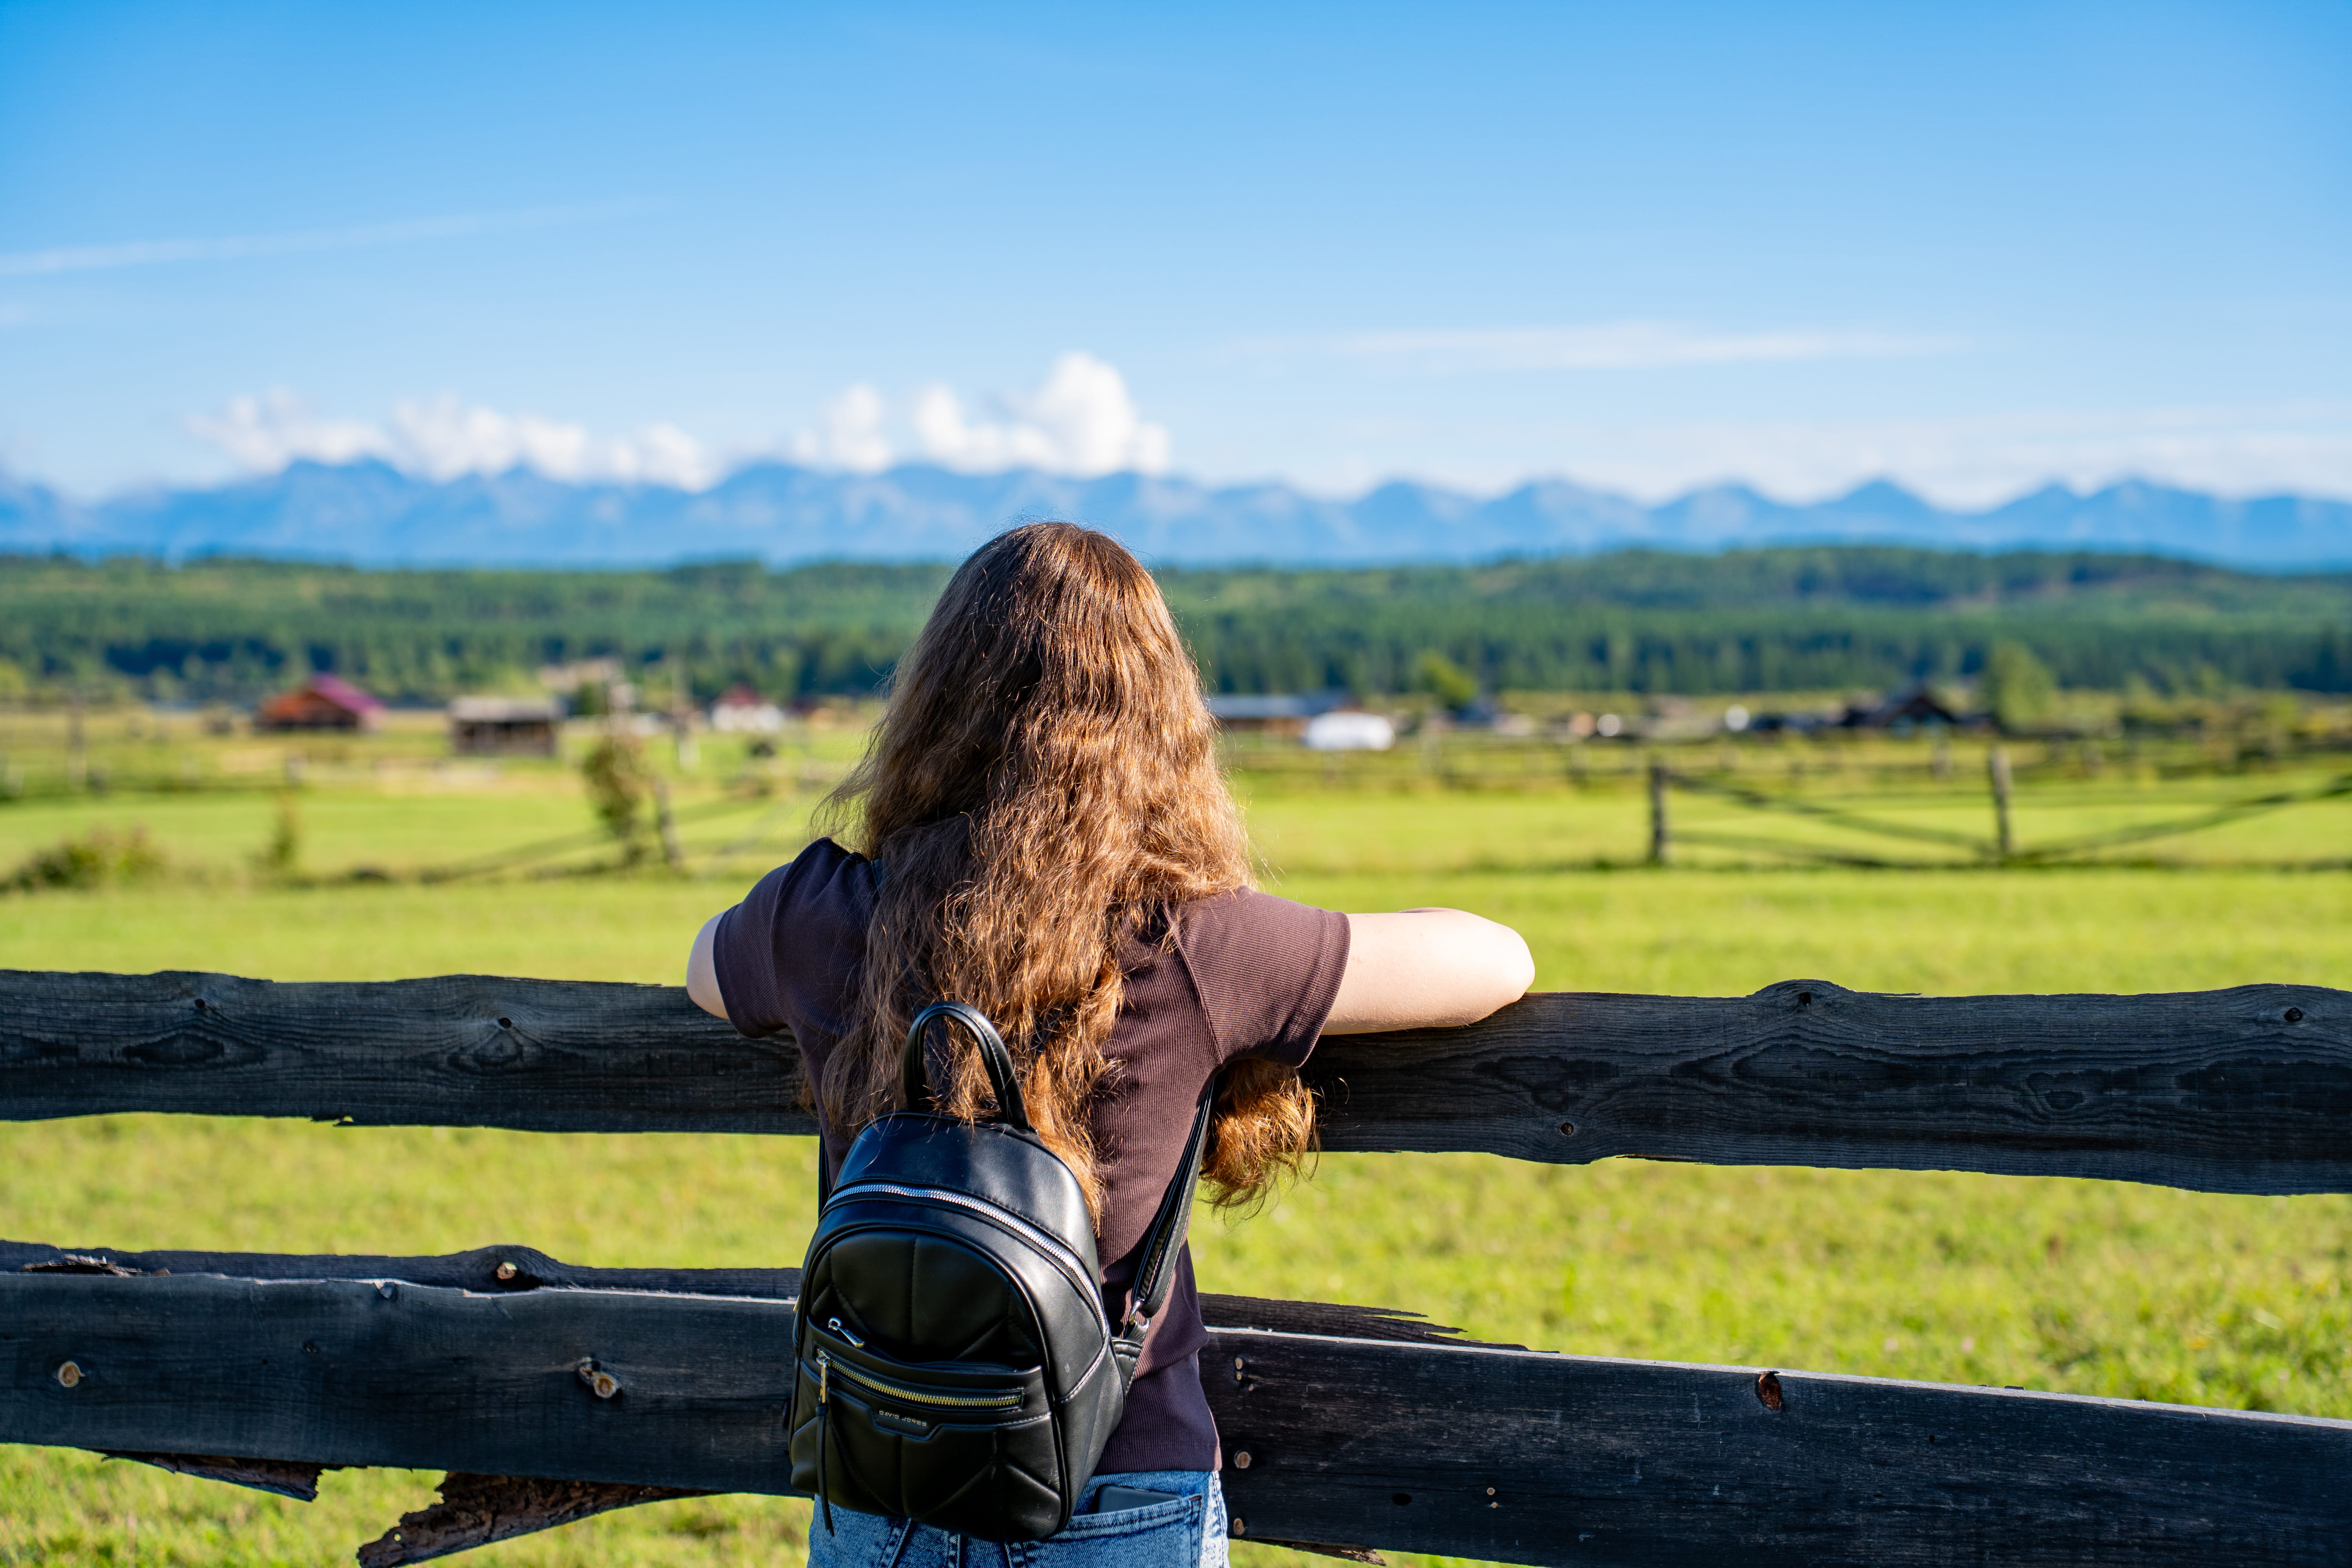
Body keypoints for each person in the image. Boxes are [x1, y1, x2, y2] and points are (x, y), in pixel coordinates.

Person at [686, 522, 1532, 1568]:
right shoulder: (1195, 941)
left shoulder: (819, 912)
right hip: (1119, 1487)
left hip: (879, 1478)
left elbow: (704, 968)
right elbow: (1498, 961)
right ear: (1158, 719)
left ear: (935, 701)